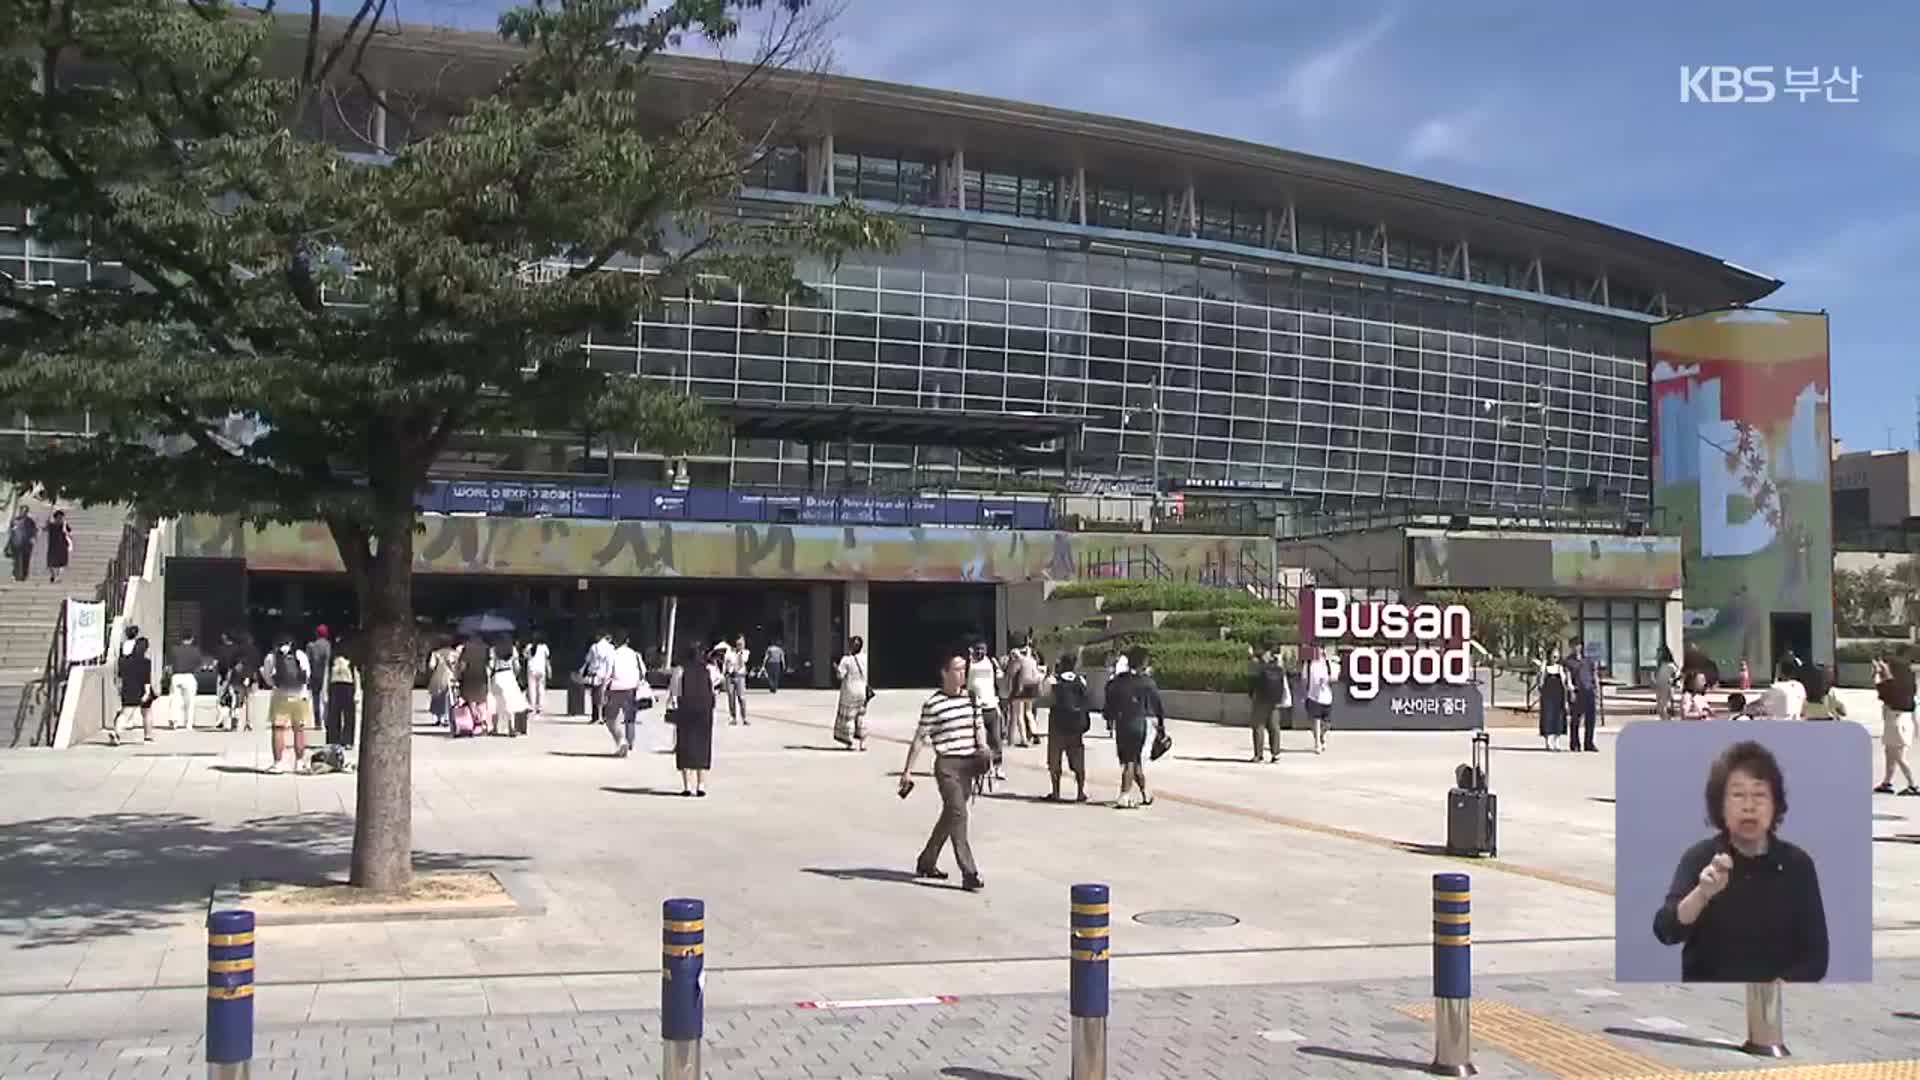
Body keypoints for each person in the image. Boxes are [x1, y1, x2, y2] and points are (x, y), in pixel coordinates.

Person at [1651, 740, 1828, 982]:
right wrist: (1702, 894)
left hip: (1775, 999)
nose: (1749, 806)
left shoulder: (1797, 864)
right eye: (1737, 795)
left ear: (1775, 805)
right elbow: (1666, 930)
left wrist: (1778, 989)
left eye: (1759, 795)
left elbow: (1816, 957)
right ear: (1720, 805)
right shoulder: (1701, 858)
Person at [898, 646, 991, 892]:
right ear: (944, 672)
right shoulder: (933, 704)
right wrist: (907, 771)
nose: (962, 674)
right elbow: (920, 738)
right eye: (957, 669)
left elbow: (978, 725)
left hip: (969, 764)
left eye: (964, 669)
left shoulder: (971, 698)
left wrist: (983, 748)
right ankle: (969, 872)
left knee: (950, 816)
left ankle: (927, 861)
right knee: (959, 814)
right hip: (947, 765)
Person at [1105, 645, 1167, 809]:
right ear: (1144, 662)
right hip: (1138, 723)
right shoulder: (1147, 682)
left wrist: (1109, 720)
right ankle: (1124, 795)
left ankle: (1146, 792)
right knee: (1132, 761)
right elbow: (1158, 706)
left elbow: (1109, 702)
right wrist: (1162, 728)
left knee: (1132, 760)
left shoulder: (1117, 681)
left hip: (1122, 723)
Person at [668, 644, 719, 796]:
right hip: (704, 711)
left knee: (685, 745)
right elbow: (716, 684)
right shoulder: (709, 669)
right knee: (703, 745)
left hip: (686, 710)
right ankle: (701, 784)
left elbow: (675, 690)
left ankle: (687, 786)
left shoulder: (680, 670)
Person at [261, 636, 313, 774]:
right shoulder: (300, 654)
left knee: (278, 729)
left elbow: (267, 676)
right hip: (300, 696)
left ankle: (278, 763)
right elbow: (307, 674)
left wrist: (276, 685)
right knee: (299, 729)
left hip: (280, 696)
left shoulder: (271, 657)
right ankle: (299, 762)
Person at [1043, 652, 1091, 802]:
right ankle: (1080, 792)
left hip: (1057, 724)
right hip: (1076, 727)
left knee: (1054, 760)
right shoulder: (1081, 680)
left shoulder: (1055, 680)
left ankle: (1056, 792)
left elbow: (1045, 695)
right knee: (1078, 760)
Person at [1873, 656, 1918, 796]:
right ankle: (1887, 782)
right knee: (1890, 753)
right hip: (1905, 721)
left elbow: (1879, 687)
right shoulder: (1908, 683)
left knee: (1898, 756)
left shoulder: (1891, 685)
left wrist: (1877, 671)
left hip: (1895, 722)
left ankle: (1913, 784)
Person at [966, 641, 1007, 780]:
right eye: (978, 650)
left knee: (996, 740)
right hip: (976, 710)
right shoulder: (969, 665)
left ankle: (998, 768)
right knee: (976, 741)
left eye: (983, 650)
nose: (980, 652)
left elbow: (1000, 682)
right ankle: (977, 767)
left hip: (991, 707)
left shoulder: (991, 663)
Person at [1246, 642, 1293, 762]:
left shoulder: (1257, 664)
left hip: (1261, 699)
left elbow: (1251, 680)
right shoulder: (1277, 664)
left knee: (1258, 726)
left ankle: (1258, 755)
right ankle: (1275, 754)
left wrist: (1251, 694)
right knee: (1274, 727)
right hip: (1275, 700)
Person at [602, 630, 646, 756]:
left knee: (610, 718)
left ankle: (621, 741)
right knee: (630, 718)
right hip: (631, 688)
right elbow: (643, 670)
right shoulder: (635, 654)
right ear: (627, 641)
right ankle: (630, 742)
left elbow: (607, 673)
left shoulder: (612, 654)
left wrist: (604, 689)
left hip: (615, 688)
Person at [108, 636, 156, 745]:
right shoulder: (146, 662)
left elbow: (119, 678)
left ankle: (117, 732)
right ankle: (147, 736)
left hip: (128, 688)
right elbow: (146, 679)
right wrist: (147, 692)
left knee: (125, 713)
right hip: (142, 689)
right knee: (147, 712)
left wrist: (119, 689)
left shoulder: (124, 661)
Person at [834, 636, 872, 751]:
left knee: (849, 718)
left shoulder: (846, 660)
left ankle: (850, 743)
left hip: (849, 691)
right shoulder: (865, 659)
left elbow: (840, 676)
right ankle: (863, 743)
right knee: (860, 717)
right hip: (862, 691)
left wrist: (836, 668)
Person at [1006, 635, 1043, 746]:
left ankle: (1024, 740)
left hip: (1020, 689)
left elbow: (1012, 673)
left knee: (1019, 715)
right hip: (1031, 687)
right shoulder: (1031, 655)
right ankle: (1035, 733)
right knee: (1029, 712)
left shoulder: (1016, 657)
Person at [488, 635, 528, 736]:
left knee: (496, 702)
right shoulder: (513, 649)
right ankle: (511, 728)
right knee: (510, 703)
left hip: (497, 675)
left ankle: (495, 728)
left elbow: (491, 665)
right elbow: (517, 666)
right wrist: (514, 675)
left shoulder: (493, 650)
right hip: (509, 675)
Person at [1564, 639, 1599, 752]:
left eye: (1578, 645)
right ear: (1571, 647)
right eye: (1574, 645)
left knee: (1591, 720)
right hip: (1577, 692)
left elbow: (1594, 675)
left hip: (1589, 692)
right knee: (1575, 719)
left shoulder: (1588, 660)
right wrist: (1571, 691)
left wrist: (1596, 690)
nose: (1577, 648)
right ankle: (1574, 743)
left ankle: (1589, 743)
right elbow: (1567, 677)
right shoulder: (1568, 661)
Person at [455, 634, 493, 736]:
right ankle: (484, 721)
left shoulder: (467, 648)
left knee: (471, 701)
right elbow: (489, 663)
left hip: (469, 677)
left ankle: (477, 722)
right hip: (481, 676)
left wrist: (458, 675)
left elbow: (462, 665)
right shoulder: (486, 648)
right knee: (482, 701)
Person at [1303, 644, 1337, 755]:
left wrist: (1327, 680)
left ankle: (1321, 736)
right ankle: (1317, 743)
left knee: (1327, 724)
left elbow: (1334, 677)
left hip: (1326, 696)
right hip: (1313, 696)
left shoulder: (1328, 663)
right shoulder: (1308, 664)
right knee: (1315, 721)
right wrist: (1304, 693)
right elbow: (1304, 679)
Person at [325, 639, 359, 748]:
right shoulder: (332, 660)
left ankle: (348, 740)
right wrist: (324, 691)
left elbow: (356, 675)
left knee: (349, 716)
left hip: (348, 686)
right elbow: (327, 675)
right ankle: (333, 740)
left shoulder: (351, 659)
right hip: (334, 687)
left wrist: (357, 691)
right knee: (333, 715)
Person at [581, 629, 615, 724]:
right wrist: (609, 674)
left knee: (594, 695)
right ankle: (603, 716)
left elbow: (588, 659)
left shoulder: (594, 647)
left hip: (594, 674)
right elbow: (611, 662)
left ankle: (595, 716)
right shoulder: (610, 648)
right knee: (604, 696)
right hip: (605, 673)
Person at [1538, 650, 1568, 749]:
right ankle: (1548, 741)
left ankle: (1557, 741)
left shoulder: (1560, 668)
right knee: (1548, 717)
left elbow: (1564, 683)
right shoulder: (1545, 667)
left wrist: (1568, 694)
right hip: (1547, 697)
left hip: (1558, 696)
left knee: (1558, 718)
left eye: (1557, 655)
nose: (1555, 657)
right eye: (1553, 655)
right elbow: (1540, 681)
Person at [305, 626, 333, 735]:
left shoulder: (311, 646)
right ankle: (327, 720)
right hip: (325, 674)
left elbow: (307, 661)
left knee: (316, 699)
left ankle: (317, 723)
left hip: (314, 675)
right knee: (326, 699)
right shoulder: (328, 645)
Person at [721, 634, 750, 726]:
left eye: (742, 643)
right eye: (739, 643)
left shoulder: (745, 652)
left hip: (740, 676)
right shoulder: (729, 653)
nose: (741, 645)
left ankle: (744, 717)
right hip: (730, 676)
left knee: (741, 697)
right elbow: (726, 663)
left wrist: (740, 653)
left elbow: (744, 661)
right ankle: (733, 718)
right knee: (731, 697)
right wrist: (724, 674)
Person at [427, 639, 456, 728]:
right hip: (451, 677)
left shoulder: (436, 653)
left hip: (438, 677)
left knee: (438, 698)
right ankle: (448, 718)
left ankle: (439, 719)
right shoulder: (454, 653)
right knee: (450, 698)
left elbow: (431, 666)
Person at [5, 504, 37, 583]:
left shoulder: (30, 521)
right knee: (16, 560)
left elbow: (34, 531)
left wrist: (33, 538)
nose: (23, 512)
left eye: (25, 511)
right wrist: (9, 543)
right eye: (22, 511)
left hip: (27, 544)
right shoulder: (14, 521)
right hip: (16, 543)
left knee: (25, 560)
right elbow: (11, 532)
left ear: (27, 512)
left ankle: (24, 576)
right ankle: (16, 575)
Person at [525, 633, 552, 720]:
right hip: (541, 670)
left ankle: (531, 708)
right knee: (540, 689)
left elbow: (525, 656)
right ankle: (539, 709)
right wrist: (549, 670)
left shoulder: (529, 647)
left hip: (531, 669)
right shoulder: (544, 647)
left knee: (531, 689)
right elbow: (547, 660)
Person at [43, 509, 70, 583]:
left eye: (61, 517)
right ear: (55, 518)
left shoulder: (64, 525)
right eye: (58, 517)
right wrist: (46, 524)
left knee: (61, 563)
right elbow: (44, 530)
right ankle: (53, 575)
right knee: (51, 562)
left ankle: (58, 576)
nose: (60, 519)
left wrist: (65, 529)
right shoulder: (51, 525)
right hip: (53, 546)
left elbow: (69, 531)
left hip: (62, 546)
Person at [1654, 646, 1678, 721]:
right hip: (1660, 688)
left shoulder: (1670, 665)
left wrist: (1673, 680)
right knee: (1660, 709)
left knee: (1663, 708)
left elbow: (1677, 675)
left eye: (1659, 653)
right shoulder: (1660, 665)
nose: (1657, 655)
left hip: (1666, 688)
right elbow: (1658, 676)